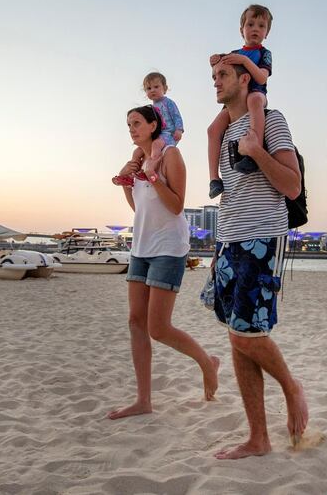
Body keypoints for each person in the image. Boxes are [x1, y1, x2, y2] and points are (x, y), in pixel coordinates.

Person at [208, 59, 308, 459]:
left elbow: (293, 185)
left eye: (223, 76)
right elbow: (230, 192)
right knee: (238, 337)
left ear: (244, 78)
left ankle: (292, 388)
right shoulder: (223, 131)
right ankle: (258, 438)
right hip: (228, 239)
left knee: (244, 334)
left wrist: (256, 152)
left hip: (262, 238)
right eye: (214, 77)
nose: (215, 82)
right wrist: (218, 245)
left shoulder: (271, 120)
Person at [108, 104, 219, 420]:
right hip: (141, 246)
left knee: (158, 327)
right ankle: (143, 400)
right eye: (128, 123)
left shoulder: (170, 155)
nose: (132, 128)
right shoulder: (137, 158)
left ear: (154, 124)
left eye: (137, 122)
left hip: (169, 248)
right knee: (135, 322)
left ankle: (207, 362)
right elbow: (139, 208)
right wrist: (130, 181)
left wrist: (152, 176)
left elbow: (175, 205)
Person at [207, 4, 274, 198]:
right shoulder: (234, 53)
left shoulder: (264, 54)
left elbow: (261, 78)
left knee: (253, 100)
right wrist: (215, 59)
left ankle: (254, 150)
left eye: (261, 26)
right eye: (250, 24)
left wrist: (244, 62)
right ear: (241, 30)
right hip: (235, 101)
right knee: (213, 130)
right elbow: (222, 71)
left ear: (266, 33)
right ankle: (214, 179)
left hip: (257, 94)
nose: (255, 29)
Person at [114, 73, 184, 185]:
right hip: (158, 135)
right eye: (148, 88)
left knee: (155, 145)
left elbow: (176, 116)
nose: (152, 90)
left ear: (165, 89)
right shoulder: (151, 108)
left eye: (156, 87)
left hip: (169, 134)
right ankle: (131, 175)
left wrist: (179, 129)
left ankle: (151, 169)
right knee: (137, 151)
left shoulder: (168, 103)